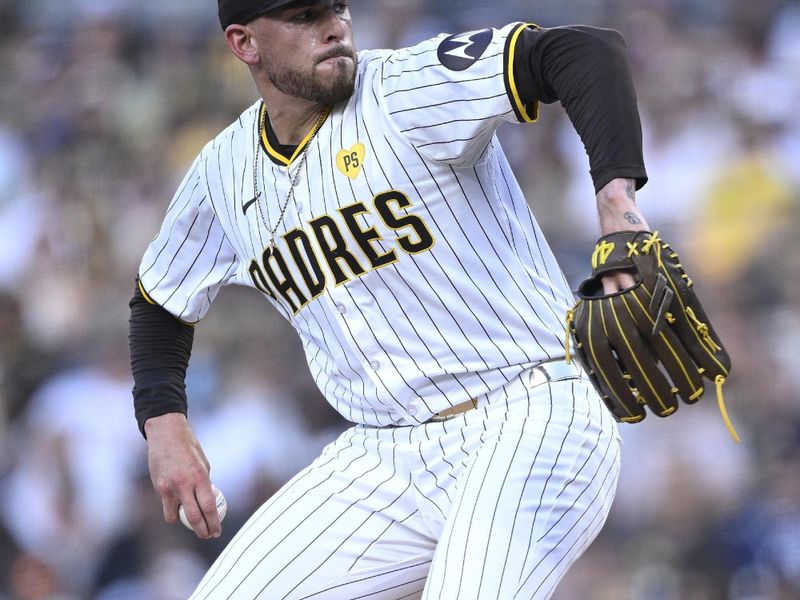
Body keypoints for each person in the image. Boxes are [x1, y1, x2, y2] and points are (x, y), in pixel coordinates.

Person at [128, 1, 651, 597]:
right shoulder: (223, 172)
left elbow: (582, 50)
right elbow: (160, 301)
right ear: (245, 44)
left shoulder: (405, 86)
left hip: (529, 414)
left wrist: (616, 204)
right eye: (304, 15)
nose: (333, 27)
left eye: (338, 8)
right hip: (384, 452)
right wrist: (163, 422)